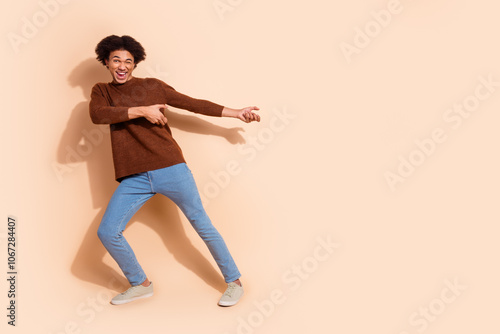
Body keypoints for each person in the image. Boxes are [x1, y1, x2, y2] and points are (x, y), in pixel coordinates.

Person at [89, 35, 260, 306]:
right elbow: (99, 115)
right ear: (107, 62)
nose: (122, 66)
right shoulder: (102, 90)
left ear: (135, 64)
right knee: (108, 231)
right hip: (134, 177)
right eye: (116, 60)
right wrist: (143, 110)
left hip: (171, 167)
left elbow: (192, 103)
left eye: (128, 61)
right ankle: (140, 283)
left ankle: (234, 282)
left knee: (201, 224)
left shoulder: (153, 86)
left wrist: (235, 112)